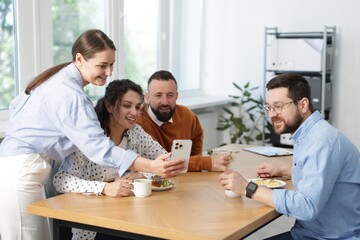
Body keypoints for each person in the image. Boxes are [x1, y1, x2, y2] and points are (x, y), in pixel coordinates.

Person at [0, 29, 185, 240]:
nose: (109, 72)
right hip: (21, 171)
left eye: (111, 64)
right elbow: (99, 148)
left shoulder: (58, 81)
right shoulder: (70, 94)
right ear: (79, 59)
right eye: (102, 65)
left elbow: (16, 108)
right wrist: (150, 166)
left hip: (19, 167)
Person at [218, 73, 360, 240]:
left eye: (278, 106)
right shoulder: (310, 134)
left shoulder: (322, 141)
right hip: (312, 233)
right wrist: (287, 169)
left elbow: (306, 206)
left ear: (303, 105)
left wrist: (247, 188)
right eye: (269, 107)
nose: (271, 114)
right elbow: (321, 173)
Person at [54, 79, 167, 240]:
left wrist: (141, 175)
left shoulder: (136, 132)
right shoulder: (89, 139)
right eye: (127, 106)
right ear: (109, 106)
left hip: (131, 214)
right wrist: (104, 188)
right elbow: (60, 180)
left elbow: (164, 165)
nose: (134, 113)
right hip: (95, 223)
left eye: (137, 107)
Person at [137, 70, 231, 172]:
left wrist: (198, 163)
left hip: (184, 179)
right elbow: (158, 164)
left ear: (176, 96)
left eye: (170, 95)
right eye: (158, 95)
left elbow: (195, 156)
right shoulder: (138, 122)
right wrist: (206, 162)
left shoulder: (188, 116)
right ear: (147, 98)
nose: (164, 102)